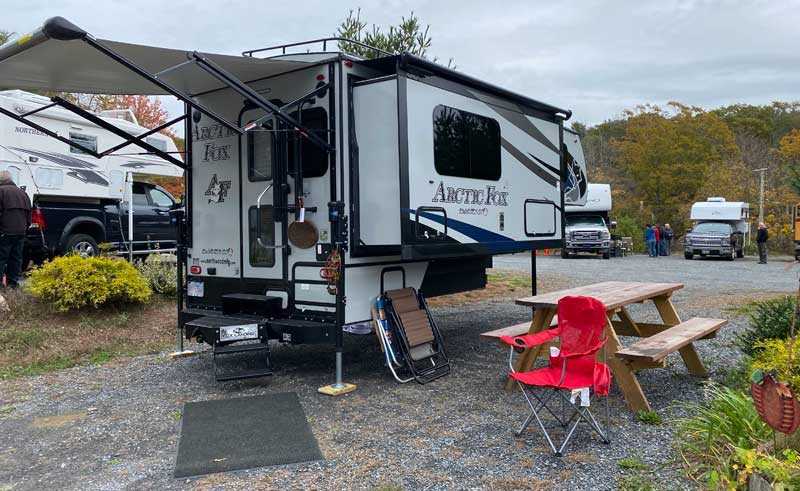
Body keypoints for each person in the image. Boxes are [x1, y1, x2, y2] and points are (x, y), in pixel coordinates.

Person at [0, 170, 32, 288]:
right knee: (16, 258)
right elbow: (29, 214)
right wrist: (24, 228)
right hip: (20, 232)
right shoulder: (23, 194)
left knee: (2, 257)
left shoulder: (1, 192)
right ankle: (13, 284)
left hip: (4, 231)